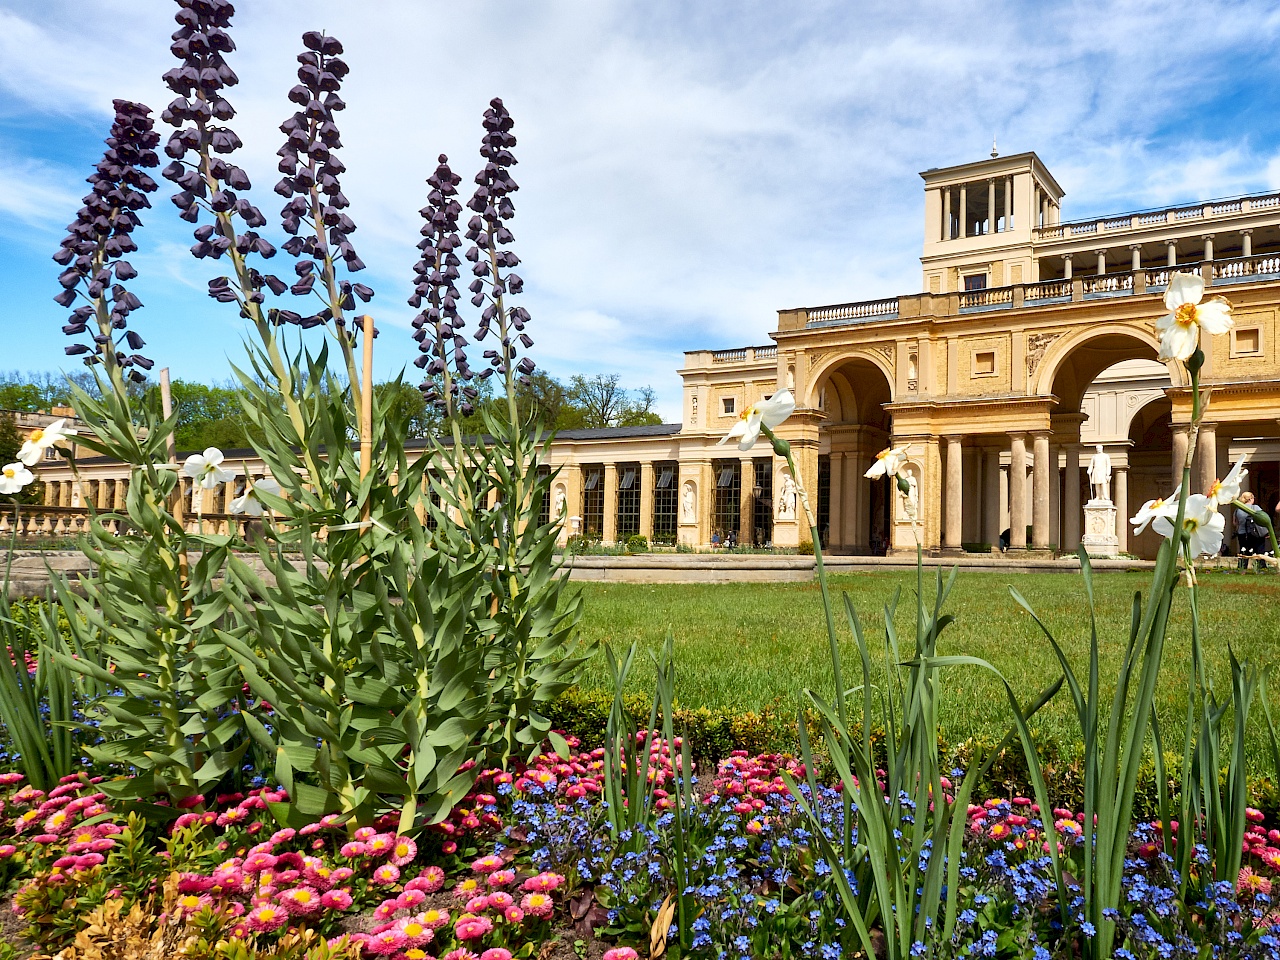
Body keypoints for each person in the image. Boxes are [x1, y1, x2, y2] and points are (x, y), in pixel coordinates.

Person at [1236, 492, 1264, 571]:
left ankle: (1242, 567)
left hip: (1242, 533)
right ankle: (1260, 567)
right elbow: (1263, 519)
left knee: (1244, 551)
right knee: (1259, 550)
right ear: (1251, 498)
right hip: (1254, 533)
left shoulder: (1238, 509)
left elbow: (1235, 522)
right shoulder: (1255, 507)